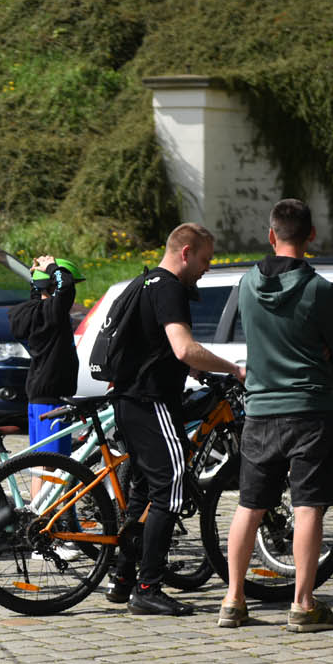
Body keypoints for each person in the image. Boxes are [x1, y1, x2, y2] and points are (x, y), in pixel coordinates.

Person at [218, 199, 333, 632]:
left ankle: (234, 599)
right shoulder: (318, 290)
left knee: (249, 506)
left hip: (260, 410)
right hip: (309, 410)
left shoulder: (246, 283)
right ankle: (303, 603)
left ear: (271, 235)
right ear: (311, 236)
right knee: (309, 506)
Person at [108, 224, 245, 616]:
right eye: (204, 259)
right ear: (186, 253)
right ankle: (148, 587)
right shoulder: (169, 286)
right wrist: (233, 370)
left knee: (143, 490)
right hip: (150, 402)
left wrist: (197, 373)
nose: (206, 268)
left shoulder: (142, 282)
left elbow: (153, 347)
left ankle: (123, 578)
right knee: (172, 487)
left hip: (129, 399)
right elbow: (184, 347)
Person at [8, 255, 83, 457]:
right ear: (52, 288)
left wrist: (37, 280)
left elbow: (42, 295)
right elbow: (66, 289)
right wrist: (51, 267)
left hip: (37, 396)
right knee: (53, 466)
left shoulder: (34, 312)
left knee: (40, 465)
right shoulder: (53, 312)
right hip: (52, 399)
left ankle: (37, 491)